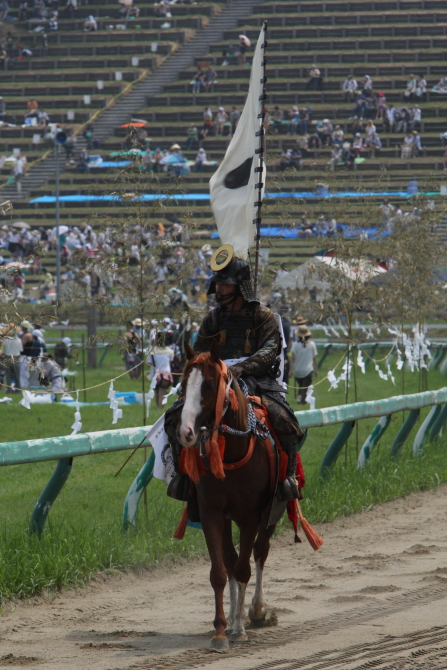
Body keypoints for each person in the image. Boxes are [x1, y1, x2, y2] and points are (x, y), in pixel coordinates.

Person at [164, 255, 304, 503]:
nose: (218, 288)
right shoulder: (213, 318)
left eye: (225, 284)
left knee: (285, 420)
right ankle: (182, 477)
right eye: (217, 284)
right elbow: (199, 351)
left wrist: (241, 368)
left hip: (256, 379)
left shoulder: (263, 316)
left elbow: (271, 350)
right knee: (174, 416)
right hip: (214, 380)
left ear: (240, 286)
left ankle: (287, 479)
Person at [291, 326, 318, 405]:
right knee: (305, 387)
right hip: (308, 371)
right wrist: (316, 370)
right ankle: (303, 401)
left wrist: (290, 371)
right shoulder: (312, 344)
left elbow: (292, 358)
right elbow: (314, 359)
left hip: (297, 371)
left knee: (301, 385)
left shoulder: (295, 345)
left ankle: (299, 398)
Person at [149, 334, 174, 409]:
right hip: (166, 375)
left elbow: (149, 364)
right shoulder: (170, 351)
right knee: (162, 393)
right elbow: (170, 362)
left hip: (154, 375)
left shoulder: (152, 351)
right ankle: (160, 409)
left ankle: (158, 408)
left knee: (157, 392)